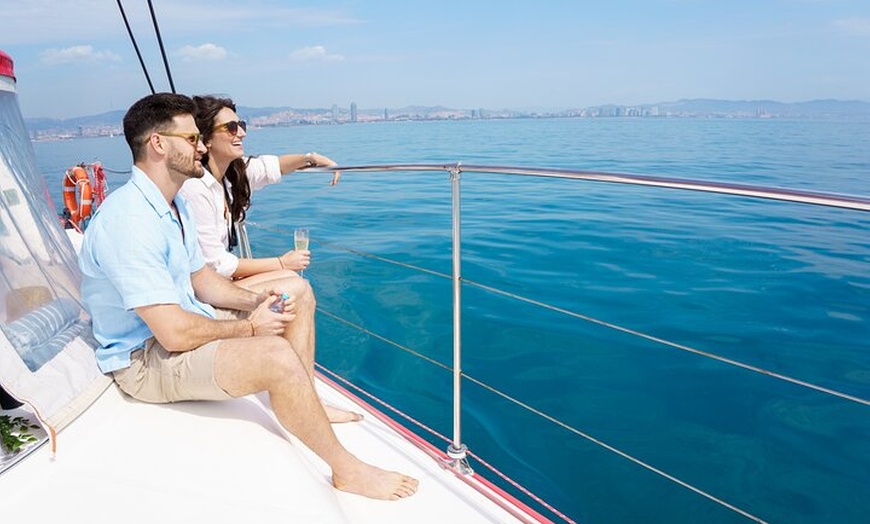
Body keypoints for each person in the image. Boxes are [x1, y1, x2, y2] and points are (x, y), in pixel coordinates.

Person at [78, 92, 418, 501]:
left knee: (292, 287)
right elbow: (171, 335)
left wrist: (253, 301)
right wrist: (252, 328)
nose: (201, 146)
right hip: (145, 359)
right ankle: (347, 469)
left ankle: (301, 395)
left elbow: (201, 280)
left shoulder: (171, 207)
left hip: (182, 324)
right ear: (158, 144)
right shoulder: (130, 221)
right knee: (274, 355)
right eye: (191, 139)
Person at [180, 94, 338, 284]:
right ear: (207, 139)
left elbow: (274, 166)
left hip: (220, 281)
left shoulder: (231, 174)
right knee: (294, 283)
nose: (241, 133)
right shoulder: (195, 187)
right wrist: (282, 262)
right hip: (203, 289)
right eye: (231, 128)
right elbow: (217, 264)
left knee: (291, 281)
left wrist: (310, 158)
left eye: (241, 125)